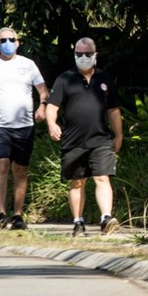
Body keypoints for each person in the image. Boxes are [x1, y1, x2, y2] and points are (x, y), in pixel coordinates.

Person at [45, 37, 124, 237]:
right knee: (77, 182)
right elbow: (52, 106)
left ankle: (106, 218)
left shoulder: (105, 79)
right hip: (73, 140)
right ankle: (78, 222)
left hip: (101, 139)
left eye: (87, 54)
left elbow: (114, 110)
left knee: (102, 177)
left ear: (95, 55)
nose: (83, 57)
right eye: (79, 54)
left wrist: (119, 135)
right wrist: (51, 123)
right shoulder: (64, 79)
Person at [0, 27, 49, 230]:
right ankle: (0, 213)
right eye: (3, 40)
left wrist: (42, 106)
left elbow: (42, 89)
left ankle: (17, 215)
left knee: (21, 170)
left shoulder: (28, 65)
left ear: (18, 42)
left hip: (24, 125)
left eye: (11, 39)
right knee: (2, 165)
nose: (7, 43)